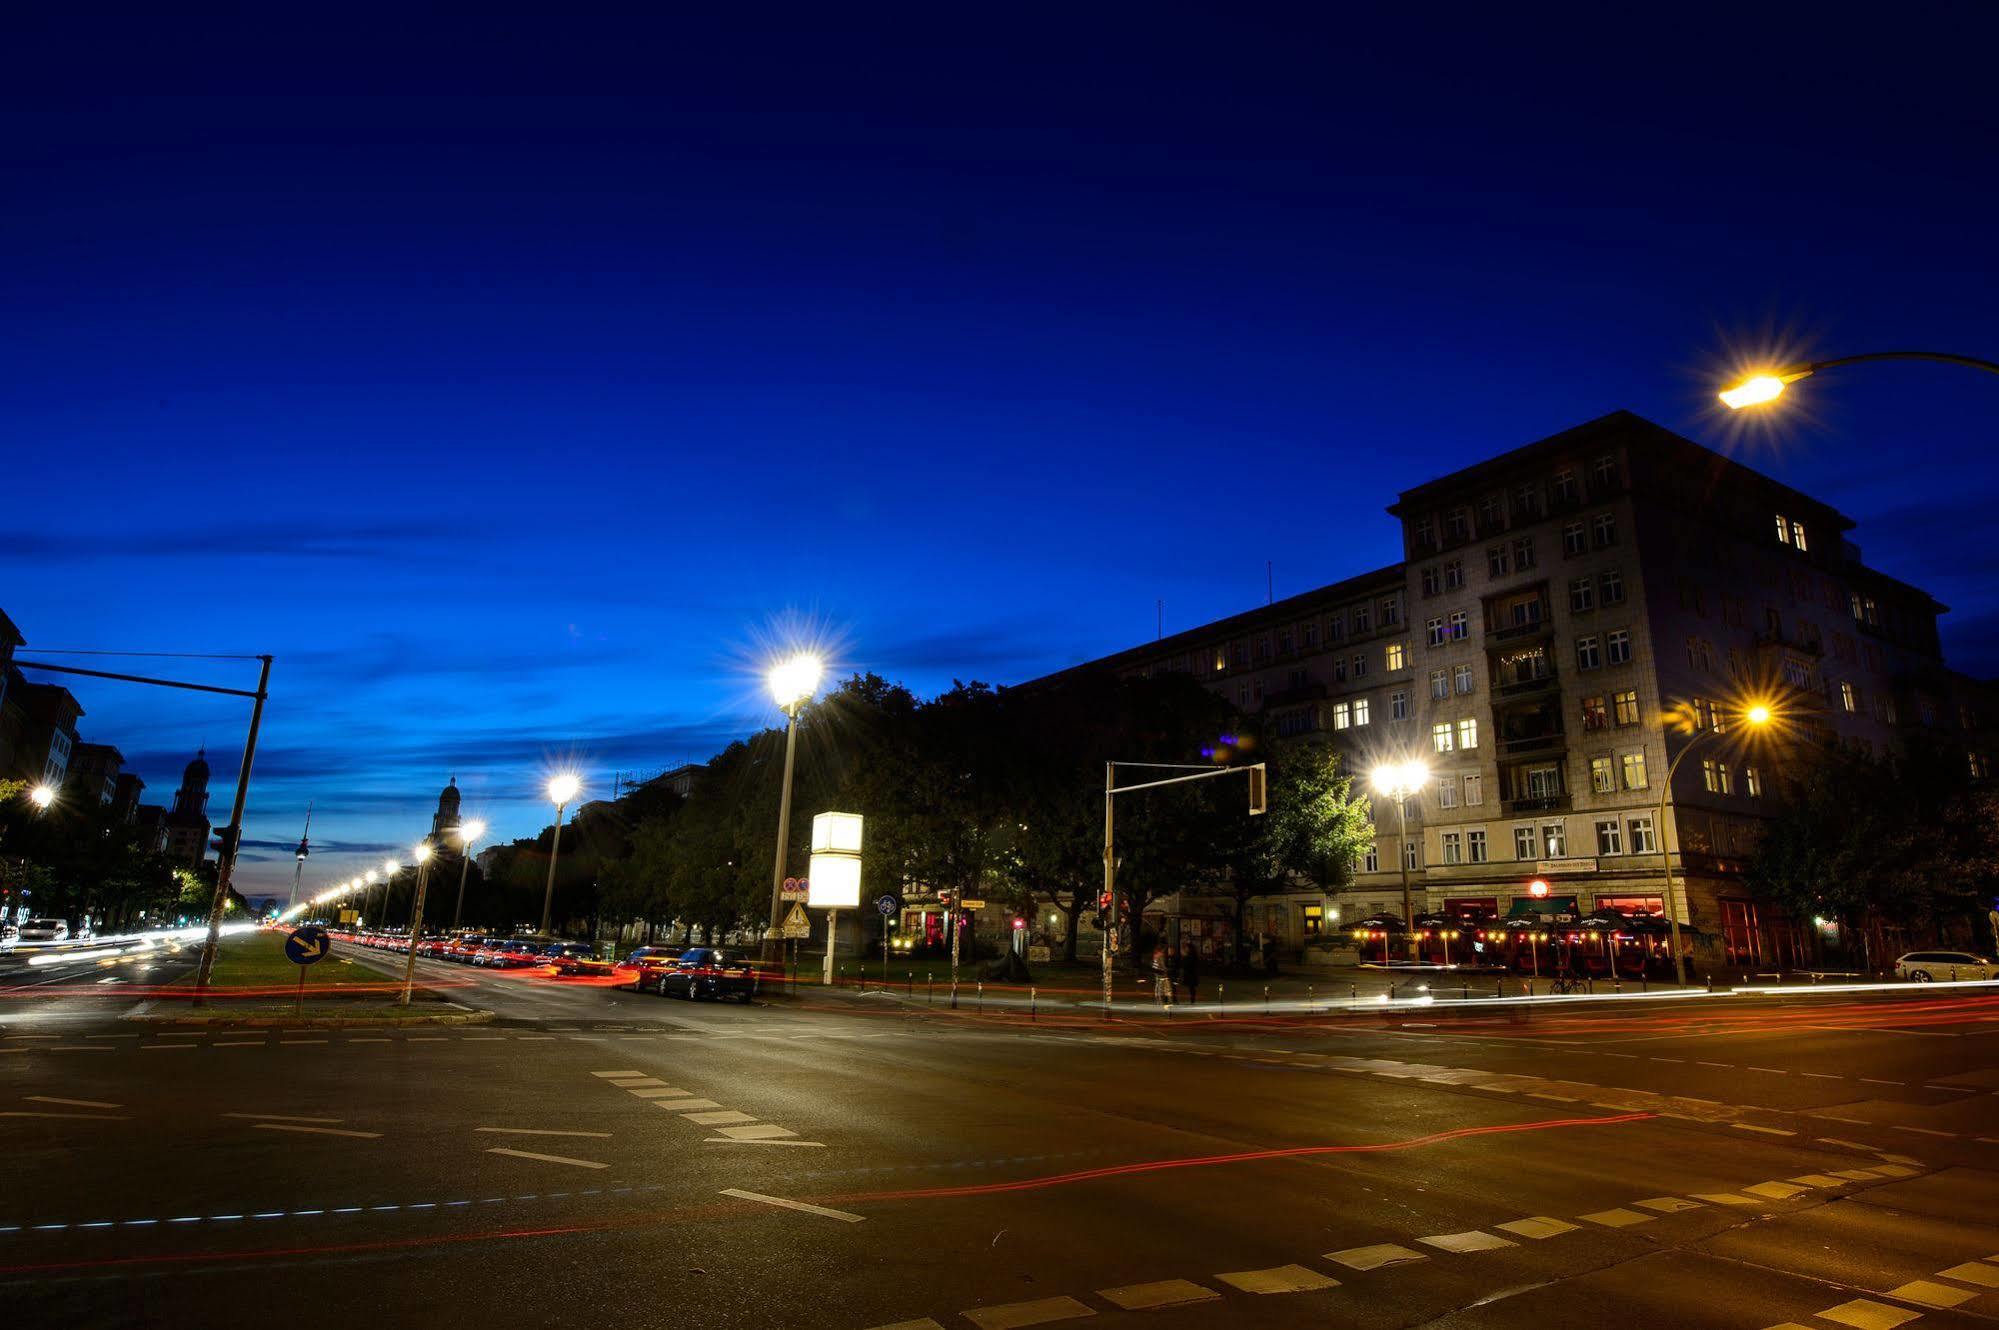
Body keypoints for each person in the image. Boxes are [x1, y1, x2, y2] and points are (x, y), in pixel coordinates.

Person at [1179, 940, 1201, 1005]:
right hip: (1191, 973)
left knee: (1191, 988)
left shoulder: (1191, 956)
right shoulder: (1193, 955)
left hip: (1191, 974)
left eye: (1187, 948)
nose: (1186, 949)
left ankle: (1192, 1000)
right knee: (1191, 988)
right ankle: (1192, 1000)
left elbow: (1186, 964)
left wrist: (1184, 956)